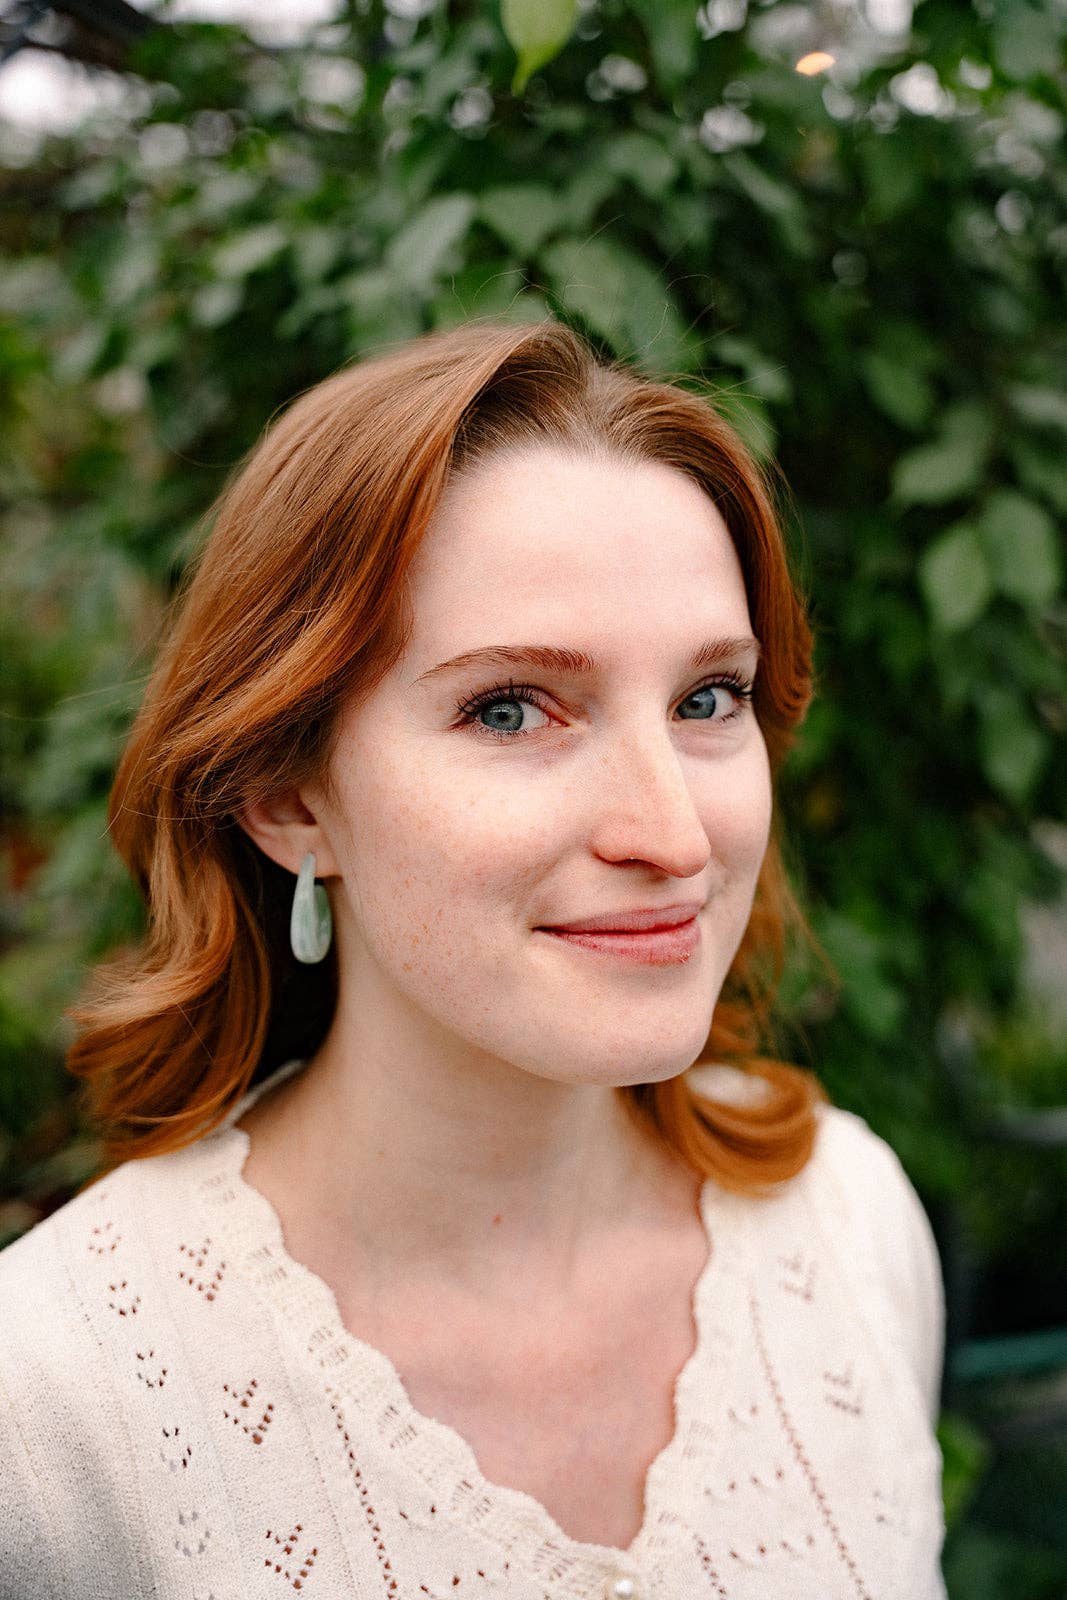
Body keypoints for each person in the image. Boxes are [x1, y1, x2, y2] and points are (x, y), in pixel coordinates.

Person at [0, 318, 947, 1599]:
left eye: (706, 698)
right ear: (288, 796)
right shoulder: (51, 1399)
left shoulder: (846, 1226)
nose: (672, 835)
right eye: (510, 709)